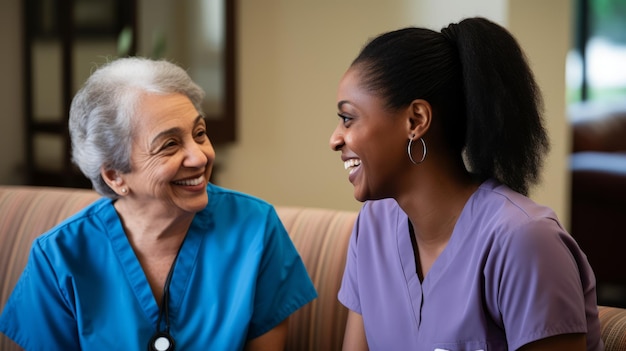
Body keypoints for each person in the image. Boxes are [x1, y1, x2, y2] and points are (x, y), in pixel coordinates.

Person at [0, 57, 317, 350]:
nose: (200, 156)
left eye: (200, 133)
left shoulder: (255, 229)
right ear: (115, 176)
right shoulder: (59, 257)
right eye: (169, 144)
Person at [329, 17, 602, 351]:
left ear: (416, 120)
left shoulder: (525, 242)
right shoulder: (372, 228)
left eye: (348, 118)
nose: (335, 139)